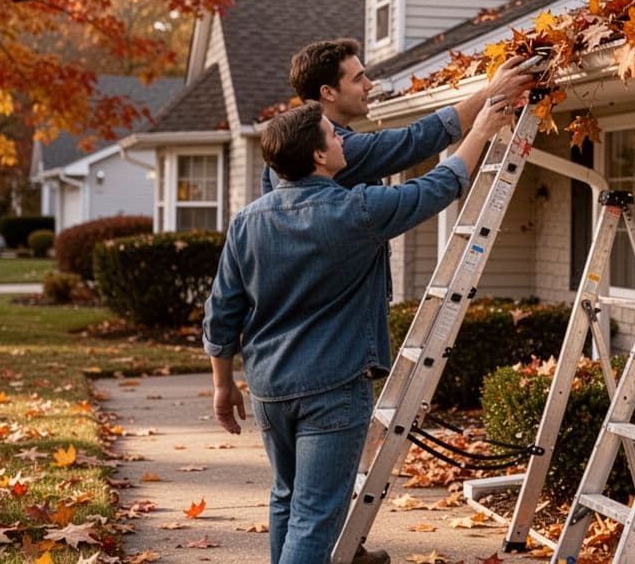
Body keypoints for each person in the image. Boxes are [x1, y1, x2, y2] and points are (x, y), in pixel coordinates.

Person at [203, 98, 513, 564]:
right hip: (333, 387)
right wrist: (481, 129)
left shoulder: (247, 222)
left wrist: (223, 386)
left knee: (288, 498)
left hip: (269, 389)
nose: (342, 140)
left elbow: (222, 312)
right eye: (334, 135)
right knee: (315, 516)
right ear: (318, 157)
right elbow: (435, 188)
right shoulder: (357, 211)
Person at [260, 37, 532, 196]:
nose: (369, 85)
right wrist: (490, 93)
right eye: (358, 79)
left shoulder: (283, 151)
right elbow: (411, 142)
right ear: (328, 92)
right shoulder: (332, 149)